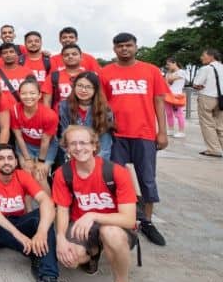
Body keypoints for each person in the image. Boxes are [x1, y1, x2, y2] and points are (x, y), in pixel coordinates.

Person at [99, 32, 169, 245]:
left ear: (136, 46)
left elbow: (159, 102)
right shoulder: (106, 72)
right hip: (117, 136)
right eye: (120, 46)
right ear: (114, 49)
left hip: (144, 134)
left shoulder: (151, 71)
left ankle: (147, 221)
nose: (124, 49)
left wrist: (162, 131)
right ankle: (121, 219)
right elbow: (102, 104)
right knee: (115, 180)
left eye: (128, 45)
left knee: (147, 179)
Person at [53, 126, 138, 282]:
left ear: (94, 146)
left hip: (114, 224)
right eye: (73, 144)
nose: (78, 148)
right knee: (70, 259)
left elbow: (129, 219)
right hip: (82, 226)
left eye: (84, 143)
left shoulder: (116, 172)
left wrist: (93, 215)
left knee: (110, 234)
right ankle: (93, 252)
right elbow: (62, 210)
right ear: (67, 148)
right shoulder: (63, 173)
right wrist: (61, 238)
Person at [0, 144, 62, 282]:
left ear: (16, 162)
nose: (6, 162)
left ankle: (48, 278)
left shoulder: (22, 175)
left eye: (10, 158)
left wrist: (41, 232)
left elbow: (46, 201)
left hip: (18, 221)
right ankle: (34, 252)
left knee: (42, 216)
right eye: (1, 159)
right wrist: (19, 235)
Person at [11, 77, 59, 191]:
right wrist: (27, 159)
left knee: (40, 176)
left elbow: (45, 140)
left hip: (46, 147)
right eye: (24, 93)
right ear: (19, 94)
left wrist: (41, 162)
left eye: (32, 93)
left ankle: (50, 206)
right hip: (25, 144)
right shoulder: (15, 110)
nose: (28, 97)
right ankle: (28, 208)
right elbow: (18, 137)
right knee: (27, 174)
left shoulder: (49, 115)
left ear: (39, 95)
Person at [59, 72, 115, 160]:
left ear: (95, 89)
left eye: (88, 87)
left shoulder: (104, 109)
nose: (83, 90)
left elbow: (105, 142)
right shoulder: (64, 106)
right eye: (80, 85)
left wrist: (93, 163)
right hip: (73, 155)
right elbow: (64, 136)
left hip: (97, 156)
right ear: (74, 86)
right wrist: (73, 157)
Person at [193, 48, 223, 157]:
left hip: (207, 97)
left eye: (203, 55)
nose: (201, 57)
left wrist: (197, 86)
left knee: (207, 124)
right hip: (221, 99)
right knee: (220, 125)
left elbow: (197, 83)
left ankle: (214, 149)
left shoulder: (206, 69)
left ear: (211, 56)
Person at [43, 44, 87, 109]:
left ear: (81, 56)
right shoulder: (53, 76)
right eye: (66, 55)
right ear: (62, 58)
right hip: (59, 117)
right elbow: (47, 102)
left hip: (85, 117)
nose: (70, 56)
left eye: (74, 54)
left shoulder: (88, 76)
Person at [162, 58, 187, 138]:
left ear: (174, 63)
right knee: (168, 114)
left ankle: (181, 131)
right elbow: (166, 84)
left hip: (177, 96)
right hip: (168, 95)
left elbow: (170, 80)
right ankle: (171, 129)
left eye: (168, 64)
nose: (167, 66)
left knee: (179, 114)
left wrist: (168, 76)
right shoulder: (169, 73)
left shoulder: (181, 72)